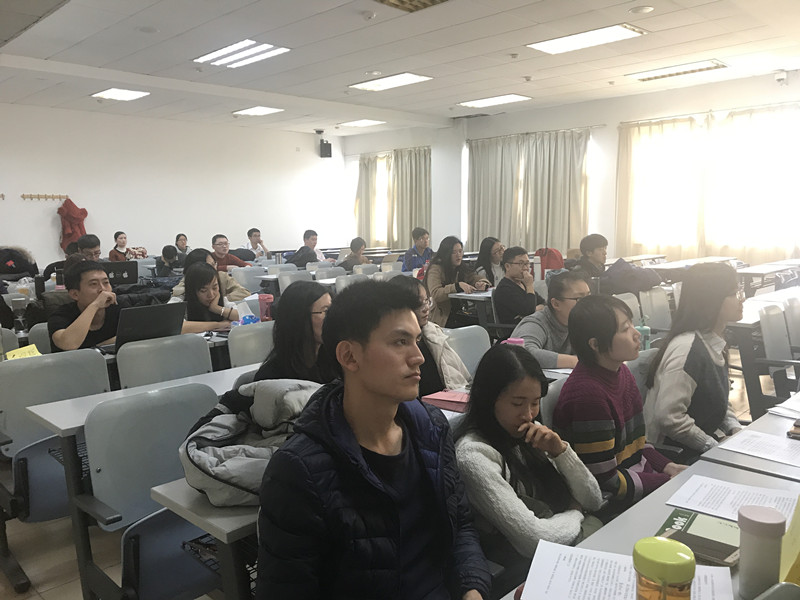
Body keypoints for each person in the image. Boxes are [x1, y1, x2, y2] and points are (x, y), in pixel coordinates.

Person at [256, 280, 490, 600]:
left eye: (417, 340)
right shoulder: (298, 472)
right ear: (350, 356)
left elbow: (461, 526)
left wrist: (472, 589)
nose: (418, 357)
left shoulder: (432, 428)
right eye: (400, 342)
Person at [454, 344, 603, 592]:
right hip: (525, 573)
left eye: (535, 403)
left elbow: (593, 499)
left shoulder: (532, 437)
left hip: (561, 552)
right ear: (488, 399)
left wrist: (561, 452)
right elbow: (533, 540)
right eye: (517, 403)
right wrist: (576, 513)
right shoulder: (473, 455)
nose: (529, 414)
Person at [553, 295, 686, 513]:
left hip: (640, 482)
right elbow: (605, 481)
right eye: (625, 329)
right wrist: (665, 481)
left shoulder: (621, 372)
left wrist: (669, 467)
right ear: (595, 344)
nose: (636, 333)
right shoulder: (588, 396)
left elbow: (638, 445)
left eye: (631, 324)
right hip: (617, 503)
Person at [644, 263, 744, 462]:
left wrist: (735, 429)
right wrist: (713, 447)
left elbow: (719, 399)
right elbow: (669, 418)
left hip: (697, 445)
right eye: (734, 294)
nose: (742, 299)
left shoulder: (713, 340)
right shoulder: (687, 348)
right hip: (673, 455)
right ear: (711, 300)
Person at [388, 275, 471, 396]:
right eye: (418, 304)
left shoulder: (433, 333)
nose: (426, 308)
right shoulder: (391, 345)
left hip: (447, 399)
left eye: (426, 301)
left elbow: (461, 376)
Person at [510, 271, 589, 368]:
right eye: (579, 299)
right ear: (556, 304)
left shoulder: (582, 322)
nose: (588, 304)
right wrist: (575, 361)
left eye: (589, 297)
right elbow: (522, 353)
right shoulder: (536, 323)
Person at [47, 260, 120, 351]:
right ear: (75, 294)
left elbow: (130, 339)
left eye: (106, 282)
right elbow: (68, 344)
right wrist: (95, 305)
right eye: (93, 284)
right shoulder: (60, 315)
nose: (103, 289)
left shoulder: (118, 308)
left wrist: (97, 347)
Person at [424, 235, 490, 328]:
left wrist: (481, 283)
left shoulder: (460, 267)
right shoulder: (435, 268)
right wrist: (457, 286)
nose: (458, 255)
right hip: (443, 316)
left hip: (460, 312)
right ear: (446, 254)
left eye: (460, 251)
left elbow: (474, 277)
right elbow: (436, 294)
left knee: (484, 322)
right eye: (453, 252)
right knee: (478, 326)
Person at [171, 248, 249, 302]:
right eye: (209, 266)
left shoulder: (221, 276)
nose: (214, 269)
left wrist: (220, 300)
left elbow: (244, 292)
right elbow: (176, 300)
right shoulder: (187, 282)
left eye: (214, 264)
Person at [180, 262, 239, 333]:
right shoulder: (179, 303)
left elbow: (243, 316)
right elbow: (180, 327)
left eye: (214, 288)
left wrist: (217, 308)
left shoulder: (222, 301)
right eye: (203, 290)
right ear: (192, 291)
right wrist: (219, 325)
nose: (211, 295)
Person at [493, 246, 545, 324]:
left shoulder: (523, 283)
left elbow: (544, 304)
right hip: (516, 329)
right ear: (507, 266)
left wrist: (532, 311)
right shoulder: (504, 288)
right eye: (521, 263)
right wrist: (529, 286)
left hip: (530, 325)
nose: (526, 268)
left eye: (527, 263)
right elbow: (529, 311)